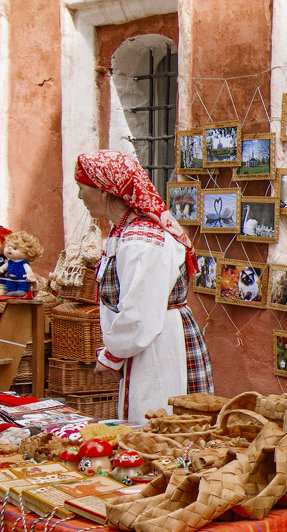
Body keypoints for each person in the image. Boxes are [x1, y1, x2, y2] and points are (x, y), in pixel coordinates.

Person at [75, 150, 214, 423]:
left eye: (82, 188)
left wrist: (113, 354)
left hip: (159, 345)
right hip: (145, 342)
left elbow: (140, 313)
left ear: (104, 191)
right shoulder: (122, 233)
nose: (80, 196)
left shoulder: (142, 242)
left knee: (157, 421)